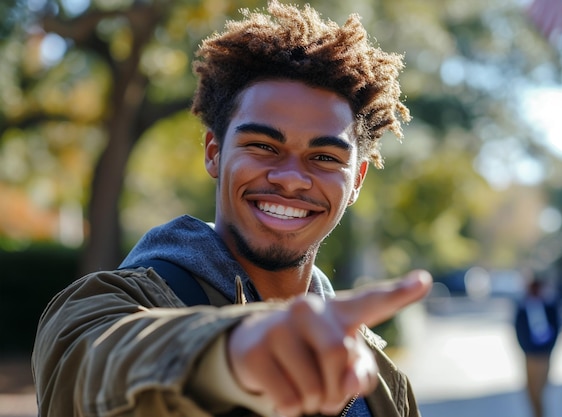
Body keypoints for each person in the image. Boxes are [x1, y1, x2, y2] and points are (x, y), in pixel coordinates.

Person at [32, 1, 433, 416]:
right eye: (263, 146)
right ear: (213, 152)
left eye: (326, 157)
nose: (292, 178)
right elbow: (89, 371)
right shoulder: (105, 308)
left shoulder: (383, 384)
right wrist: (232, 355)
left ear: (357, 182)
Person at [514, 271, 561, 417]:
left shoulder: (550, 307)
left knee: (541, 389)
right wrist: (527, 350)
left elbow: (557, 328)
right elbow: (518, 330)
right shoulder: (523, 308)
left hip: (544, 354)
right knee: (531, 390)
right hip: (530, 355)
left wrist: (548, 349)